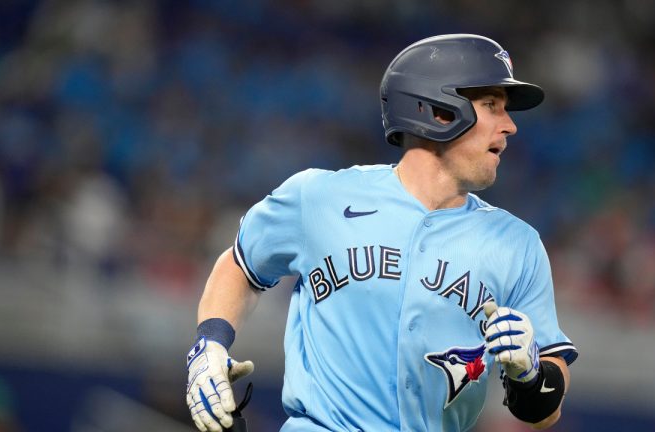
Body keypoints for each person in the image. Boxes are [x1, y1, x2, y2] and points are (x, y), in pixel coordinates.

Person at [185, 34, 578, 432]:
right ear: (440, 110)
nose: (510, 126)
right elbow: (242, 264)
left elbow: (545, 413)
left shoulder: (518, 245)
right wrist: (210, 344)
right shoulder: (320, 197)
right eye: (491, 105)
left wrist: (531, 375)